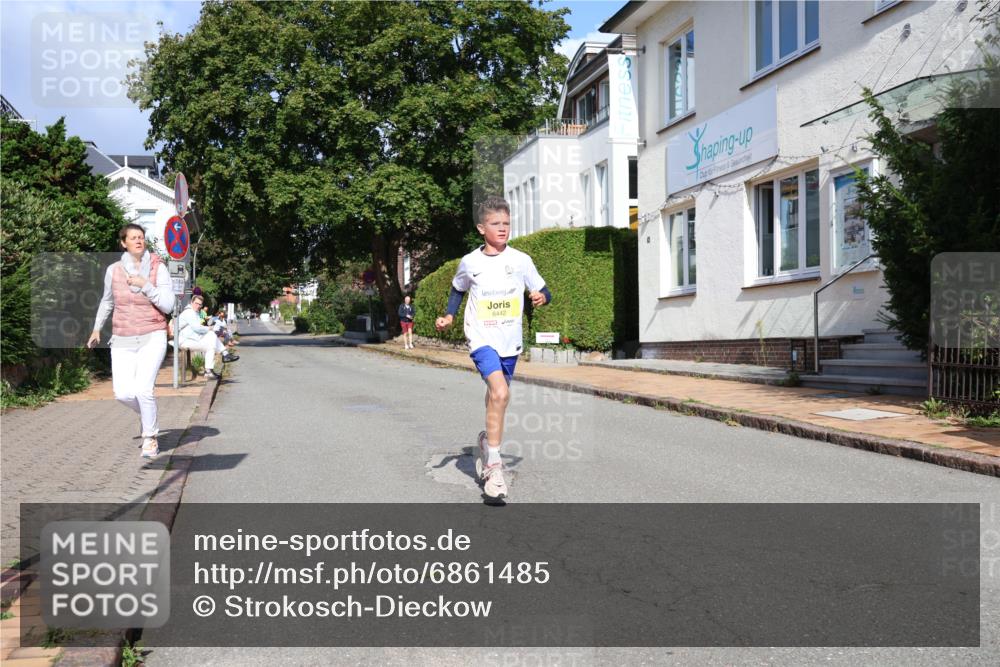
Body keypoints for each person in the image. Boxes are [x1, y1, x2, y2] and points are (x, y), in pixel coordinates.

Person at [435, 196, 551, 502]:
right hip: (481, 338)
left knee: (495, 399)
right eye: (495, 224)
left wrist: (541, 298)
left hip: (509, 341)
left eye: (506, 224)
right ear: (481, 227)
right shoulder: (470, 262)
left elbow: (543, 288)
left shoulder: (522, 260)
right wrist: (449, 315)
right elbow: (458, 288)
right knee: (500, 393)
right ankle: (494, 468)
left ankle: (487, 442)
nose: (502, 229)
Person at [88, 223, 176, 459]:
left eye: (142, 237)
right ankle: (147, 416)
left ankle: (150, 438)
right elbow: (107, 301)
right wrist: (97, 328)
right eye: (133, 237)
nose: (138, 240)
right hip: (123, 335)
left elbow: (168, 305)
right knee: (123, 393)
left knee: (143, 389)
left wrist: (146, 285)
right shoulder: (114, 270)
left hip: (152, 333)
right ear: (123, 243)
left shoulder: (159, 268)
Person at [177, 294, 237, 379]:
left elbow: (198, 328)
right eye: (196, 303)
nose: (198, 306)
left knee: (211, 343)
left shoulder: (195, 312)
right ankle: (223, 355)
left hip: (191, 338)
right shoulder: (189, 312)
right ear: (191, 302)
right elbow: (197, 328)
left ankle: (211, 369)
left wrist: (209, 328)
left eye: (200, 304)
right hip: (184, 340)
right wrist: (210, 328)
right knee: (211, 338)